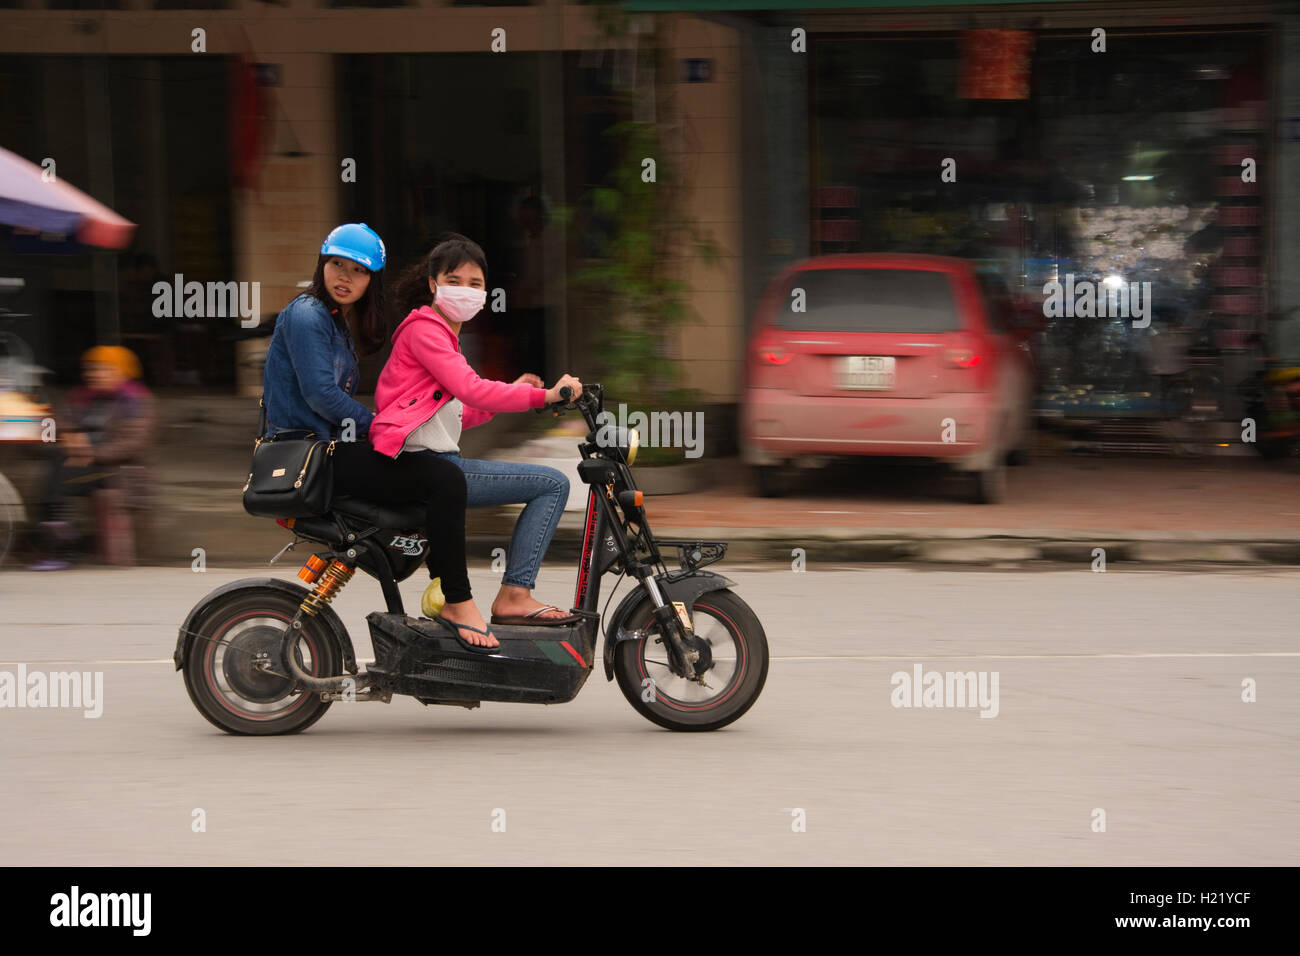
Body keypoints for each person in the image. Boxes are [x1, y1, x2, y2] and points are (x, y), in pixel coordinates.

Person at [261, 223, 496, 648]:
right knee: (443, 479)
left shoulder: (334, 322)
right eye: (337, 265)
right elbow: (321, 395)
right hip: (309, 455)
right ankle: (456, 598)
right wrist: (379, 427)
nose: (345, 277)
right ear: (323, 265)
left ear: (372, 279)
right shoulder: (307, 313)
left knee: (428, 479)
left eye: (359, 270)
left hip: (328, 450)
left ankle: (441, 591)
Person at [371, 233, 582, 648]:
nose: (465, 291)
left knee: (548, 483)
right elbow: (471, 389)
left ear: (486, 292)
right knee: (553, 484)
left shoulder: (441, 335)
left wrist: (515, 392)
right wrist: (546, 395)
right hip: (425, 466)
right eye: (454, 280)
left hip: (432, 461)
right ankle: (515, 595)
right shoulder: (426, 331)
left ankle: (514, 594)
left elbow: (459, 410)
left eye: (475, 284)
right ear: (432, 284)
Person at [30, 345, 156, 571]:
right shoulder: (82, 397)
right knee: (57, 467)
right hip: (80, 464)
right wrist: (70, 436)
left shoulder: (135, 402)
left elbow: (134, 444)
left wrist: (93, 454)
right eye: (92, 369)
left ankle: (61, 546)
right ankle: (62, 542)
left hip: (117, 470)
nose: (95, 374)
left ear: (122, 371)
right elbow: (63, 423)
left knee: (59, 475)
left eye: (104, 370)